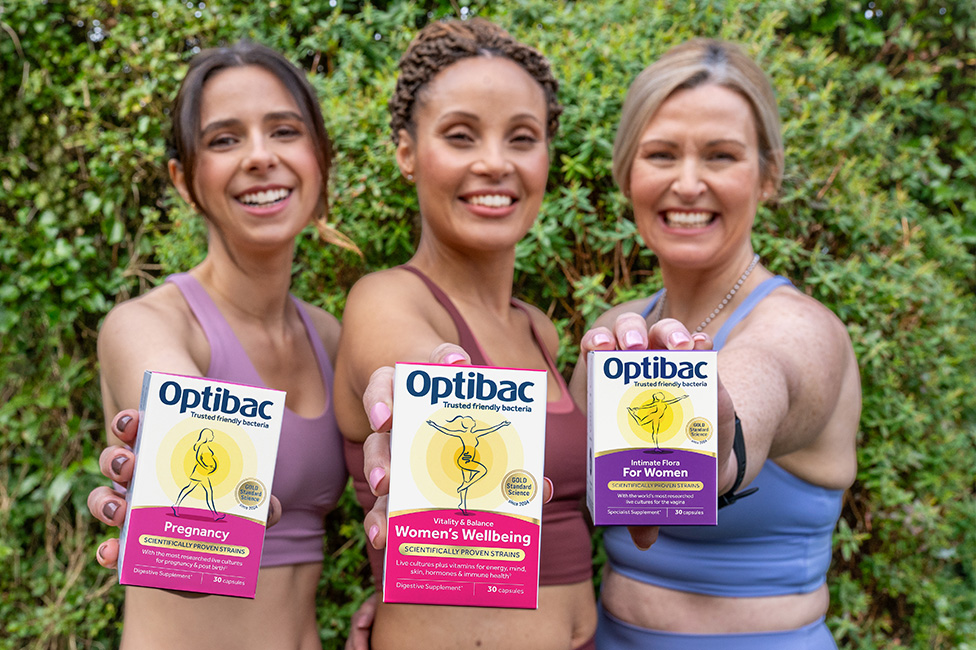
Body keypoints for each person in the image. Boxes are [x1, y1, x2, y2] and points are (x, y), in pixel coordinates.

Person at [570, 38, 861, 648]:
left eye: (721, 156)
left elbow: (759, 385)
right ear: (627, 172)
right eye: (660, 154)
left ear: (767, 177)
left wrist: (713, 456)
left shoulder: (802, 328)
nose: (687, 183)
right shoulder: (617, 328)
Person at [335, 18, 597, 650]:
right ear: (406, 152)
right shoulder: (385, 298)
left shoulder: (538, 330)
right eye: (460, 136)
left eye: (522, 138)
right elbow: (415, 371)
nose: (495, 163)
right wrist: (429, 379)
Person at [85, 41, 351, 649]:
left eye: (284, 131)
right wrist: (188, 535)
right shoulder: (146, 325)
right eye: (225, 140)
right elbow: (185, 425)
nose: (260, 156)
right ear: (184, 180)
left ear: (319, 157)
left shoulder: (330, 336)